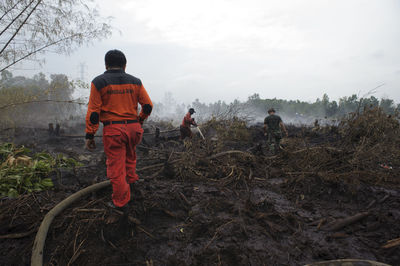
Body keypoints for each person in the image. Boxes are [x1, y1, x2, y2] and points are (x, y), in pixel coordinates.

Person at [85, 49, 153, 212]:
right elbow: (148, 105)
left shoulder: (99, 82)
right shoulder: (136, 82)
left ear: (106, 64)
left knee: (116, 167)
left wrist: (90, 134)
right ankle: (132, 185)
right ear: (125, 65)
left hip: (114, 130)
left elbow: (94, 113)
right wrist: (140, 120)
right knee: (130, 157)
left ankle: (121, 203)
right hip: (133, 128)